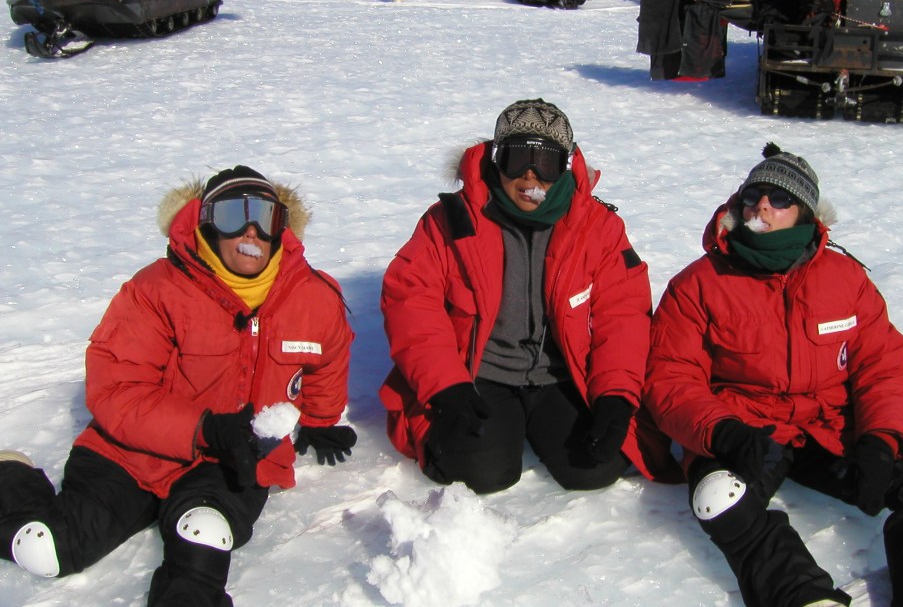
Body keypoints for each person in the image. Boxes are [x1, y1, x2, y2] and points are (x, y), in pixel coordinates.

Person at [0, 166, 356, 606]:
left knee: (203, 537)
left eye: (265, 217)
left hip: (230, 460)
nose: (250, 230)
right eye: (231, 214)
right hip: (130, 454)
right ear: (206, 222)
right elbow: (117, 390)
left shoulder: (313, 295)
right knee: (45, 548)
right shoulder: (155, 290)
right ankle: (7, 473)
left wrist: (321, 419)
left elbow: (326, 357)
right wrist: (206, 428)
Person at [644, 143, 903, 607]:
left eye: (780, 200)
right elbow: (670, 378)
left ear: (804, 214)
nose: (763, 206)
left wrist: (881, 440)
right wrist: (723, 434)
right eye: (754, 195)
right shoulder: (699, 284)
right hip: (747, 428)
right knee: (720, 497)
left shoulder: (844, 278)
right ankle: (802, 596)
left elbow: (883, 363)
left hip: (829, 427)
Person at [379, 98, 680, 495]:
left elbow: (622, 313)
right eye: (517, 159)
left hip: (557, 373)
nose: (531, 176)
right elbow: (411, 302)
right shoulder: (452, 220)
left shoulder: (597, 227)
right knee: (481, 472)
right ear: (496, 160)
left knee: (595, 466)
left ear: (567, 167)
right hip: (478, 372)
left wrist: (615, 395)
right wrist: (446, 386)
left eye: (548, 162)